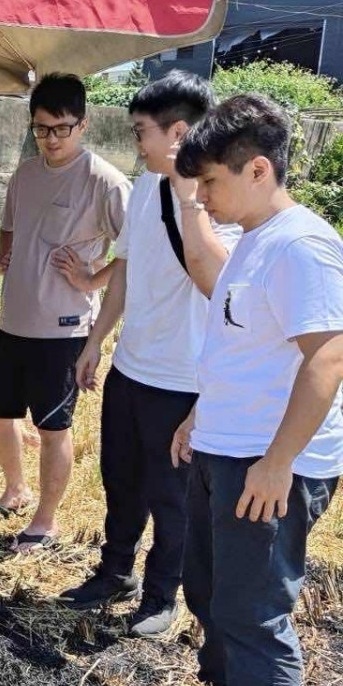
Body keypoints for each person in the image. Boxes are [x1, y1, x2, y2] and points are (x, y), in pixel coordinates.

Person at [155, 95, 343, 686]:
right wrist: (202, 415)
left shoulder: (302, 244)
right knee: (208, 592)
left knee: (254, 611)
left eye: (213, 183)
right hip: (223, 450)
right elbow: (246, 347)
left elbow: (326, 357)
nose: (203, 197)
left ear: (259, 169)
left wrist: (277, 462)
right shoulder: (256, 240)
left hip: (268, 467)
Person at [57, 72, 239, 636]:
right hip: (132, 369)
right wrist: (96, 342)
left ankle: (162, 596)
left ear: (178, 134)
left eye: (143, 132)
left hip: (183, 380)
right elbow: (127, 273)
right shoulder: (143, 189)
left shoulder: (219, 205)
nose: (137, 142)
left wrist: (192, 205)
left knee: (172, 497)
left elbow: (222, 291)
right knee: (121, 479)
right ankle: (115, 572)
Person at [0, 73, 130, 553]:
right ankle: (15, 489)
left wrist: (90, 280)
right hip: (14, 321)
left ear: (83, 124)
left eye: (60, 128)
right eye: (40, 128)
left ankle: (45, 520)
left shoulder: (104, 181)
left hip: (63, 329)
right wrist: (6, 255)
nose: (49, 139)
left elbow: (134, 254)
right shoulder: (25, 173)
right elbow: (9, 224)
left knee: (52, 427)